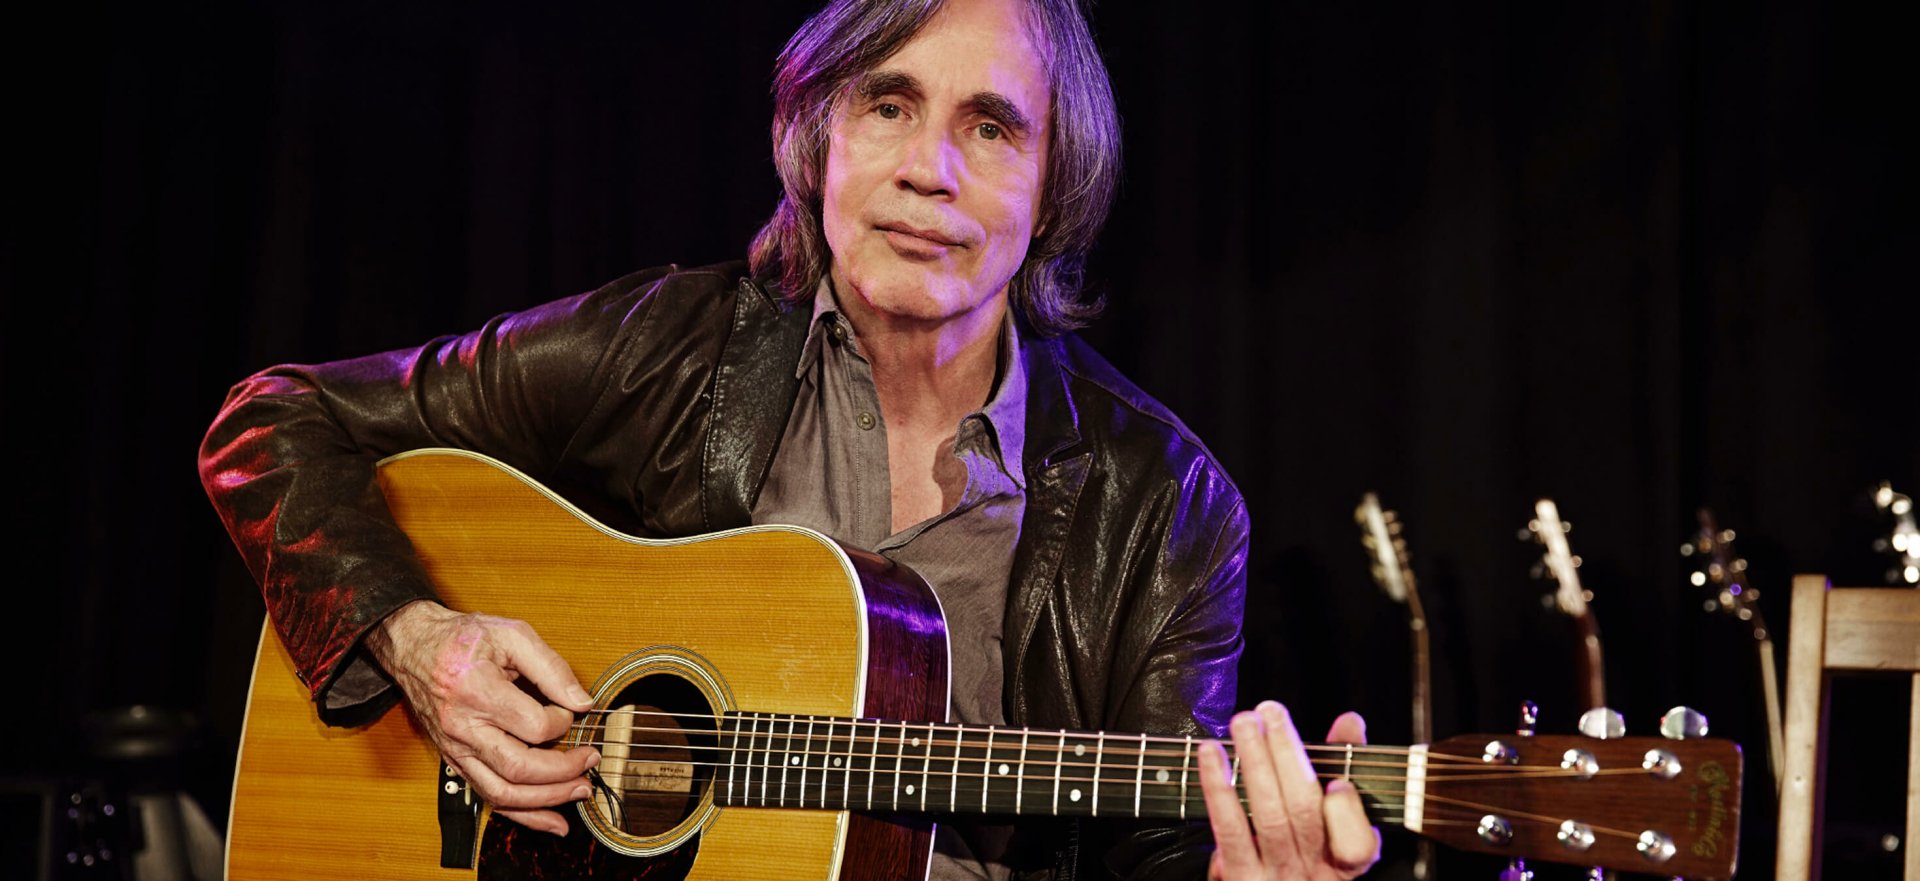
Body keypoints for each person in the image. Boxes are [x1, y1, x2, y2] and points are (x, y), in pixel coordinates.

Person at [198, 0, 1380, 878]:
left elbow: (1158, 858)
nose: (931, 169)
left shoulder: (1166, 506)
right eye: (889, 104)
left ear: (1054, 187)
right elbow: (272, 423)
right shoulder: (664, 348)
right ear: (816, 137)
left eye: (993, 127)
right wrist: (419, 639)